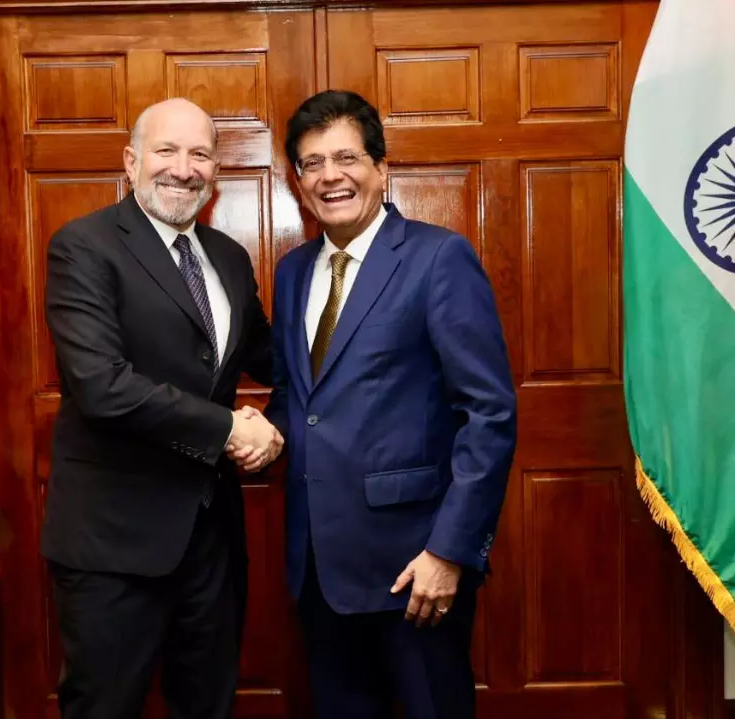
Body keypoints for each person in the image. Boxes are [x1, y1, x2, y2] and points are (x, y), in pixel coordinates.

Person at [258, 89, 517, 718]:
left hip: (414, 569)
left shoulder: (437, 258)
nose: (330, 176)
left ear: (381, 168)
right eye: (312, 163)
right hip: (319, 568)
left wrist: (450, 552)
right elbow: (300, 398)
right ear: (297, 181)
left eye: (345, 157)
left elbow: (489, 414)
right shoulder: (293, 272)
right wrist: (252, 430)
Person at [41, 97, 283, 719]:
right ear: (131, 161)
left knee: (208, 706)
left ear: (215, 171)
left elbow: (268, 357)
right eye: (166, 151)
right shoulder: (84, 247)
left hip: (211, 538)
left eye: (200, 153)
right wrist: (229, 427)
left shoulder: (227, 257)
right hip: (114, 544)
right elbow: (101, 385)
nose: (183, 168)